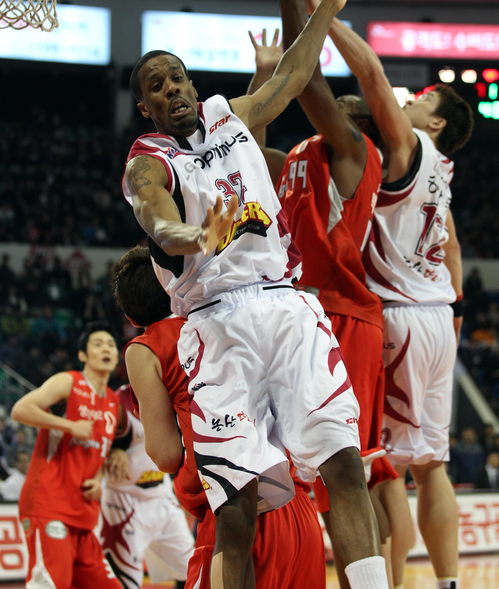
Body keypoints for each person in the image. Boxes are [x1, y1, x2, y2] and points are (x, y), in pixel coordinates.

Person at [122, 0, 388, 589]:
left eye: (178, 76)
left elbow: (295, 73)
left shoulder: (230, 116)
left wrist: (313, 3)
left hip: (284, 306)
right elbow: (158, 221)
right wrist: (196, 232)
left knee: (343, 466)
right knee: (236, 515)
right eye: (159, 85)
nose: (174, 89)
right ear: (146, 105)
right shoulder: (147, 162)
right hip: (215, 330)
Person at [297, 0, 474, 589]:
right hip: (439, 320)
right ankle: (447, 583)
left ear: (438, 124)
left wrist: (328, 12)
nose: (410, 100)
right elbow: (453, 250)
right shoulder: (445, 176)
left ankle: (389, 585)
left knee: (380, 469)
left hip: (395, 315)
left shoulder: (411, 148)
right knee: (433, 466)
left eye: (422, 102)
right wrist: (452, 303)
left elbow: (370, 74)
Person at [251, 0, 398, 589]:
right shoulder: (295, 160)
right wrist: (262, 77)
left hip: (342, 317)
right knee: (289, 474)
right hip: (292, 320)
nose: (330, 106)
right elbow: (248, 153)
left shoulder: (353, 156)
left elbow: (303, 75)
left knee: (347, 473)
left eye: (341, 109)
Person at [111, 245, 327, 589]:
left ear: (133, 318)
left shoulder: (147, 346)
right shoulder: (230, 316)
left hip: (232, 511)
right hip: (298, 508)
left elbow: (165, 455)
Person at [11, 320, 122, 589]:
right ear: (83, 355)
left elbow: (102, 451)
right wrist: (69, 425)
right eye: (97, 344)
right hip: (49, 503)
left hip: (82, 513)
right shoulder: (68, 382)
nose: (106, 348)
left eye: (110, 344)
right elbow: (20, 409)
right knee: (49, 584)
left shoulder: (113, 401)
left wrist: (99, 480)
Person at [100, 383, 194, 589]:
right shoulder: (118, 401)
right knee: (122, 584)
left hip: (162, 497)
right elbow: (93, 439)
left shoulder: (176, 392)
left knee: (192, 572)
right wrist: (111, 451)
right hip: (124, 503)